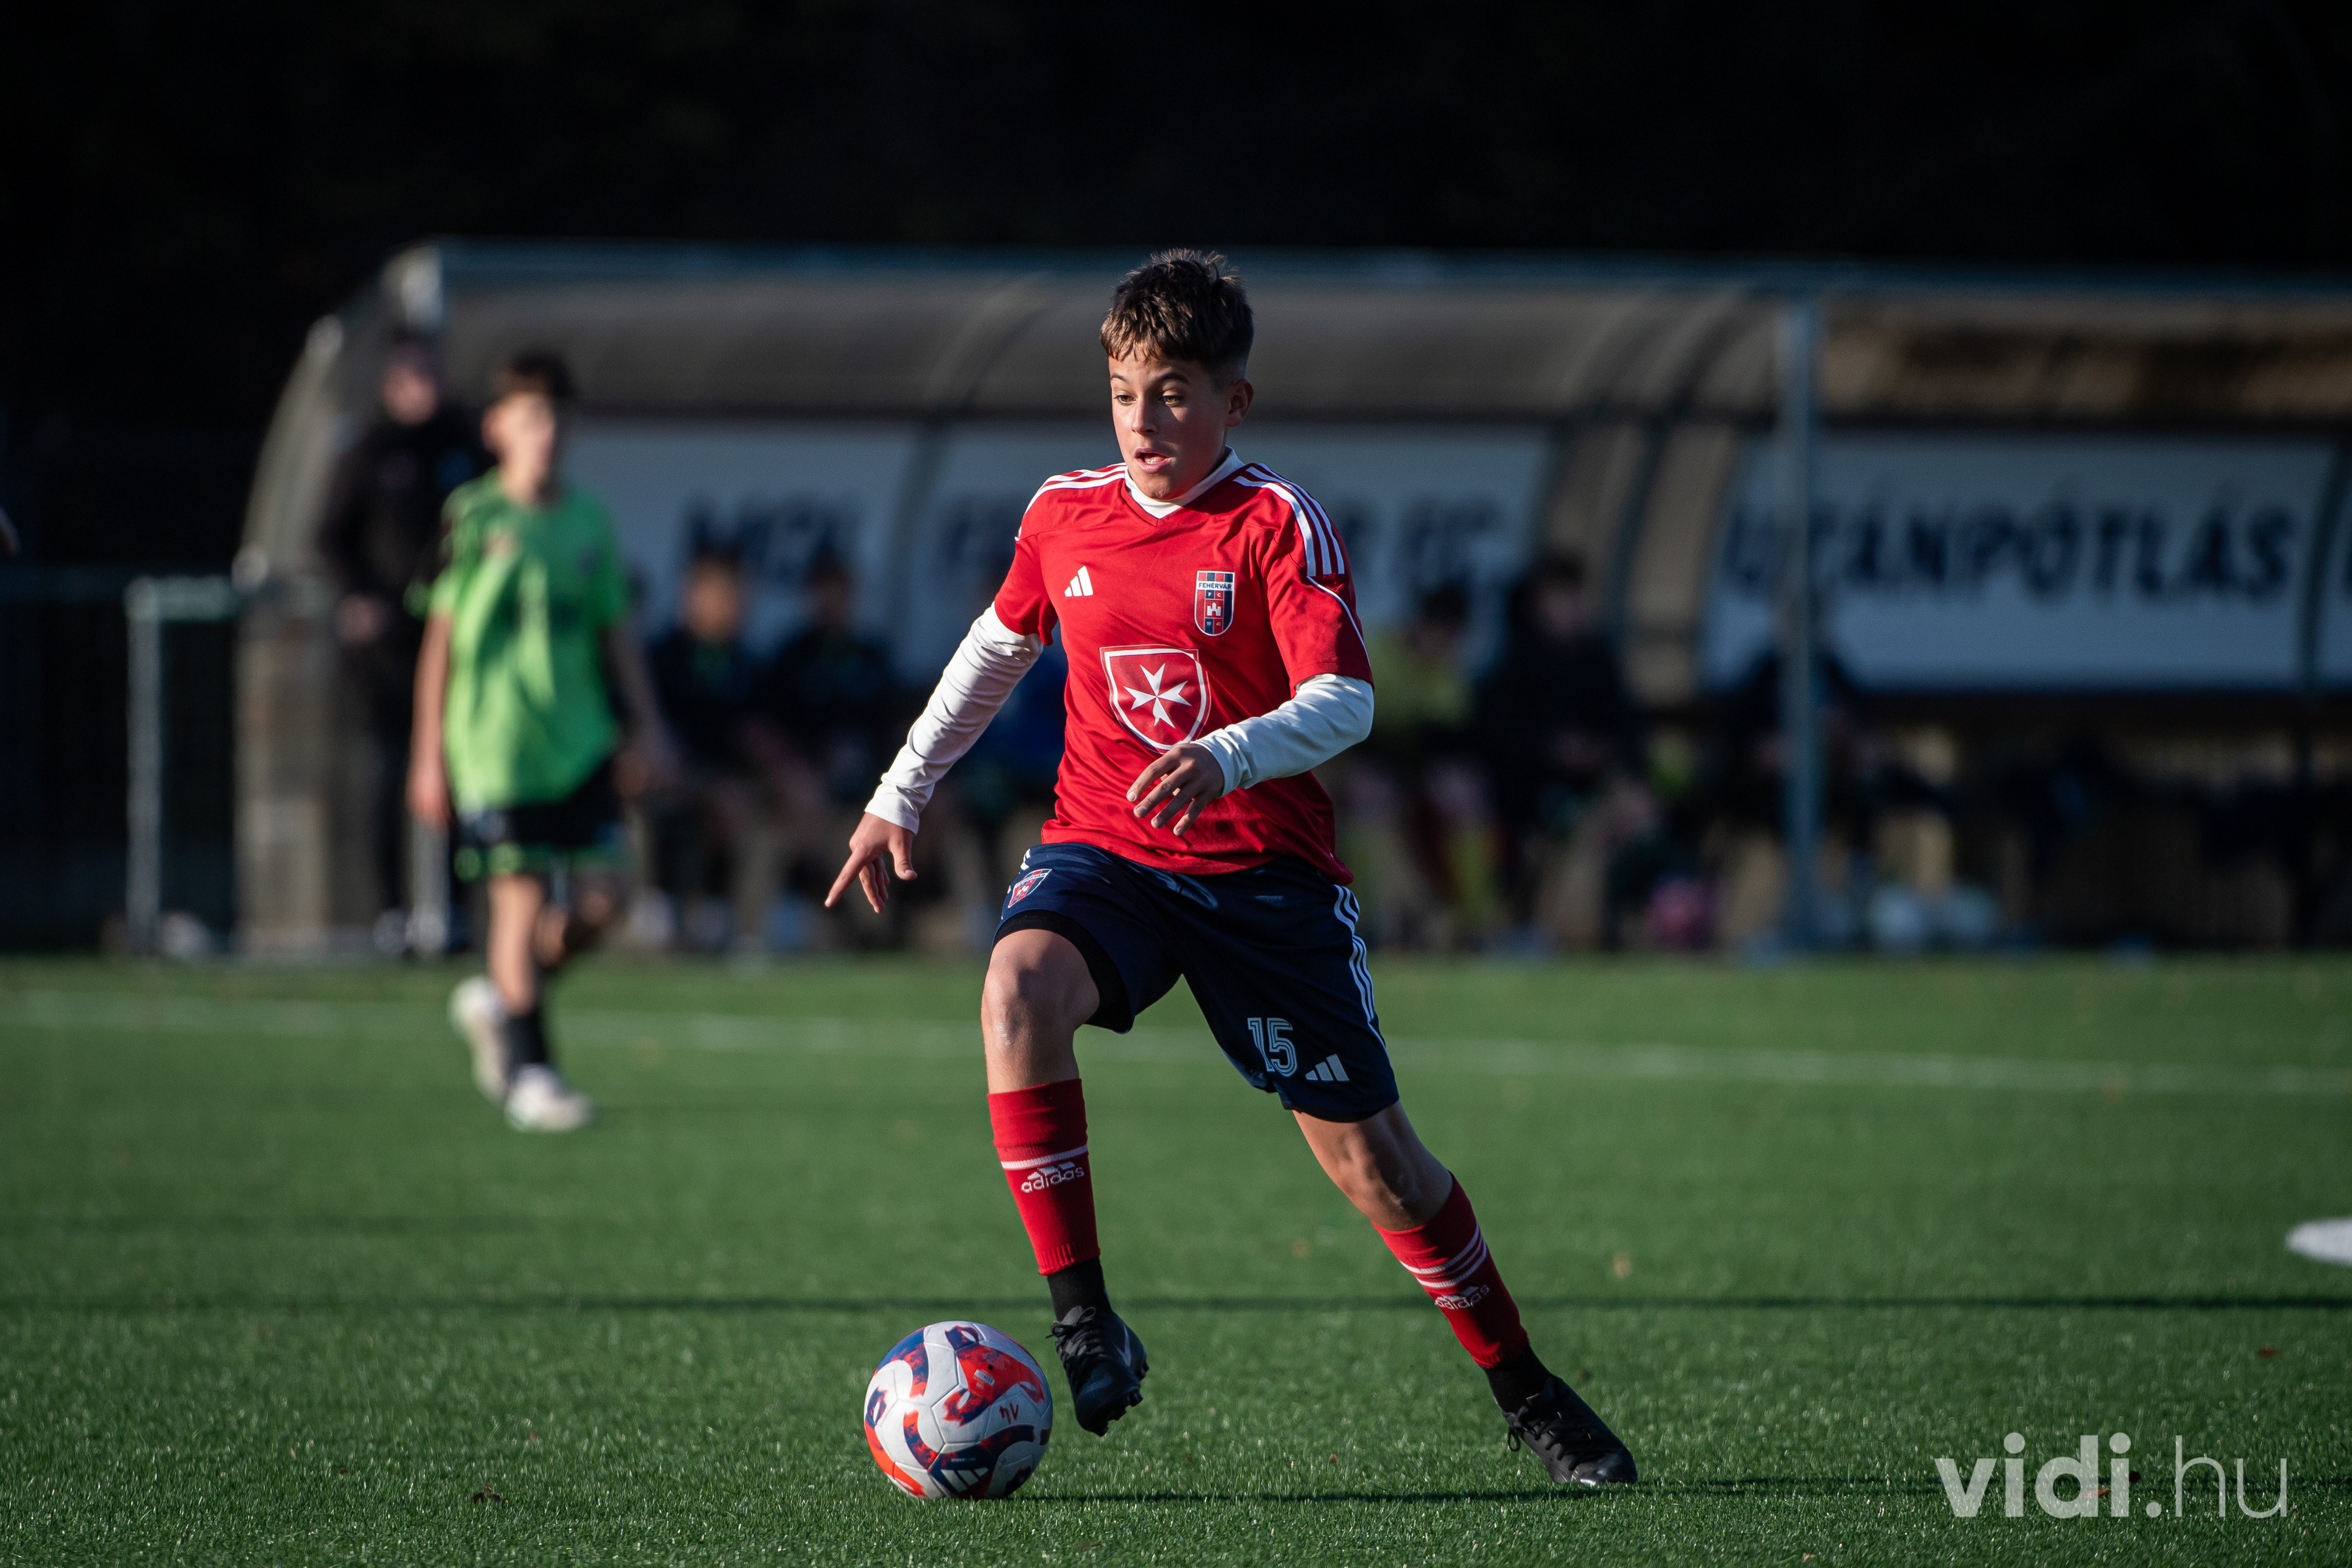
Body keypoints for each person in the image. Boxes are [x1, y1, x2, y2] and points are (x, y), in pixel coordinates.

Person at [826, 253, 1636, 1486]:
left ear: (1233, 400)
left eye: (1173, 393)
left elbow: (1346, 700)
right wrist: (899, 794)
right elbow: (994, 651)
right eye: (1123, 394)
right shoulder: (1064, 515)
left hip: (1265, 881)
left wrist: (1227, 756)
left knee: (1379, 1166)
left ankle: (1524, 1386)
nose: (1144, 422)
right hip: (1107, 850)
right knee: (1015, 990)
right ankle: (1086, 1320)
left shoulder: (1275, 524)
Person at [407, 351, 672, 1132]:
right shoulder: (473, 516)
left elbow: (617, 633)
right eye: (529, 418)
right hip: (496, 747)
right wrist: (428, 755)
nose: (545, 433)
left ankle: (501, 1000)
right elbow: (439, 640)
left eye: (554, 418)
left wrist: (649, 726)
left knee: (605, 900)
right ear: (497, 429)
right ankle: (532, 1073)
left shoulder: (589, 521)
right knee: (518, 900)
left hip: (580, 739)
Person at [316, 335, 486, 946]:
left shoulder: (466, 445)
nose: (427, 387)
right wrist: (360, 597)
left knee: (460, 774)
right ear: (392, 385)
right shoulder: (370, 451)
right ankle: (393, 910)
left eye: (433, 373)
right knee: (389, 773)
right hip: (388, 652)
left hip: (455, 638)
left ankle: (455, 911)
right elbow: (330, 538)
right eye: (415, 377)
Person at [1475, 551, 1660, 945]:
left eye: (1573, 596)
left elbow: (1627, 726)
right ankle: (1548, 926)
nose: (1568, 607)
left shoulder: (1597, 659)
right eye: (1558, 597)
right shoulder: (1515, 663)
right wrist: (1552, 749)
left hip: (1596, 787)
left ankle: (1640, 924)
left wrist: (1600, 751)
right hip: (1531, 793)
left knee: (1638, 813)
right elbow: (1500, 737)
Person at [644, 544, 770, 949]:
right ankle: (660, 913)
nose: (734, 606)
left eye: (738, 595)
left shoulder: (747, 665)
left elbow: (754, 740)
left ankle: (735, 925)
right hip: (668, 781)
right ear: (693, 596)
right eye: (723, 594)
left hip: (725, 786)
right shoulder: (661, 659)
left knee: (751, 811)